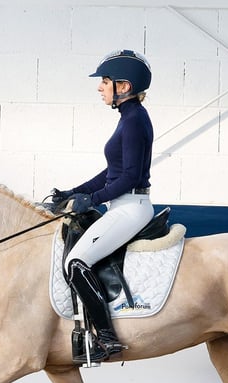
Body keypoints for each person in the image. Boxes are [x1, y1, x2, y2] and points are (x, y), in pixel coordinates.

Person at [52, 49, 155, 362]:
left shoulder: (135, 120)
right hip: (122, 205)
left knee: (76, 261)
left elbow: (129, 177)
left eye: (105, 82)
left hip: (131, 206)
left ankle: (106, 339)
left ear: (123, 87)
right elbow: (111, 173)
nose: (100, 87)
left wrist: (92, 200)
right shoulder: (128, 119)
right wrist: (75, 191)